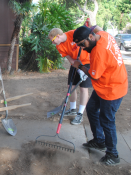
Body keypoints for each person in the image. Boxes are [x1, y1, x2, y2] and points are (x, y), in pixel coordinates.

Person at [72, 26, 128, 166]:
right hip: (106, 84)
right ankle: (99, 140)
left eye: (82, 44)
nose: (82, 48)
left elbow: (94, 76)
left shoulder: (98, 52)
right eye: (79, 46)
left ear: (90, 37)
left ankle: (113, 154)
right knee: (91, 108)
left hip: (112, 89)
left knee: (107, 121)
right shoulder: (103, 34)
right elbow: (96, 27)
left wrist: (80, 66)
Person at [48, 28, 92, 125]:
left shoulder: (74, 33)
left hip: (87, 63)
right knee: (70, 87)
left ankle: (80, 114)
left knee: (83, 89)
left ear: (58, 36)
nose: (53, 43)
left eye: (53, 40)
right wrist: (79, 69)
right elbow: (70, 59)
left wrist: (84, 70)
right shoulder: (59, 46)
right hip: (75, 64)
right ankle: (73, 109)